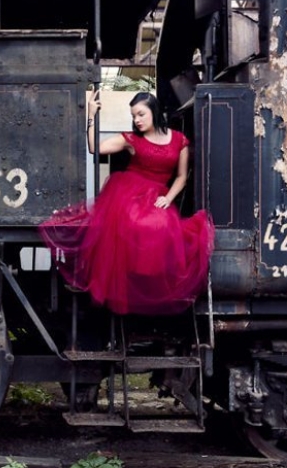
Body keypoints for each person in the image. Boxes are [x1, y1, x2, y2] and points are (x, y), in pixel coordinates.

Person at [39, 91, 214, 315]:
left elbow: (181, 176)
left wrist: (168, 198)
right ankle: (128, 279)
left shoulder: (179, 140)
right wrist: (91, 116)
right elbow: (95, 148)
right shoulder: (131, 139)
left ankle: (146, 283)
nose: (137, 120)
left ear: (155, 111)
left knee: (161, 227)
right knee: (135, 223)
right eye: (134, 116)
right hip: (129, 192)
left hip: (160, 195)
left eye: (141, 114)